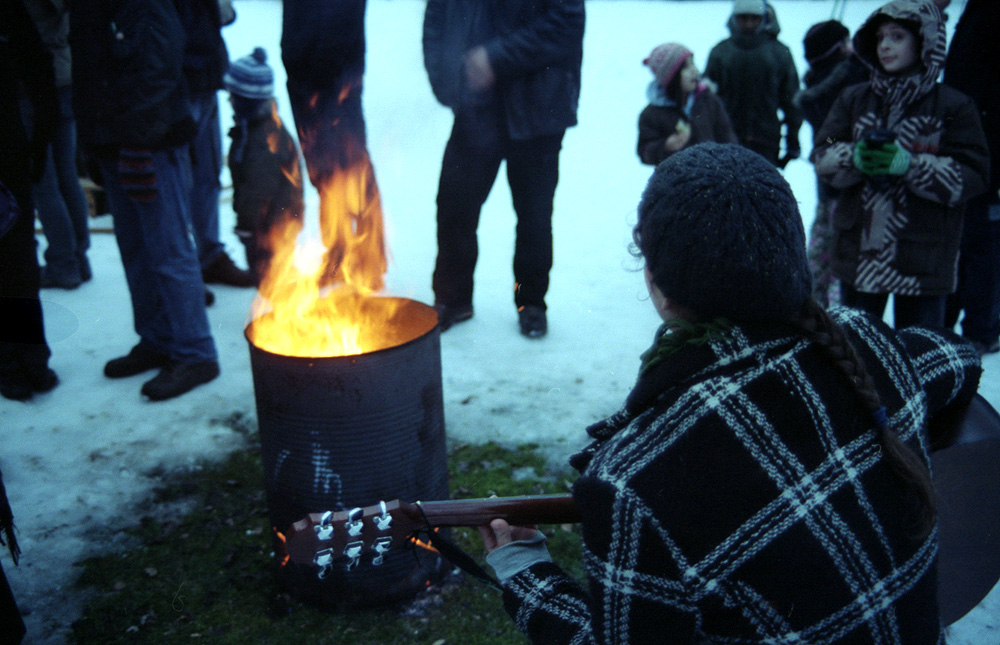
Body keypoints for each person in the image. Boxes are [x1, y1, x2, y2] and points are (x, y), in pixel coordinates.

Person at [477, 142, 983, 643]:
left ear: (656, 283)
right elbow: (958, 359)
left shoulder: (633, 483)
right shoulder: (868, 342)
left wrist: (528, 576)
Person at [70, 0, 220, 401]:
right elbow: (89, 68)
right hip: (111, 137)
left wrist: (138, 140)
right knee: (135, 247)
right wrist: (94, 142)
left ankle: (195, 351)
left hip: (146, 139)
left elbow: (158, 66)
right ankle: (158, 338)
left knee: (169, 249)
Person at [812, 0, 989, 329]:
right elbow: (827, 144)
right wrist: (852, 154)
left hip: (921, 258)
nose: (885, 46)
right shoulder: (855, 99)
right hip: (859, 255)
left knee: (920, 357)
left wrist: (911, 164)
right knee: (857, 353)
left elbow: (974, 173)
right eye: (880, 38)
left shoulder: (952, 107)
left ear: (925, 41)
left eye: (897, 37)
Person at [423, 0, 585, 337]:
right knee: (454, 208)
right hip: (475, 108)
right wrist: (443, 78)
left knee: (534, 216)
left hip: (539, 108)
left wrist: (496, 58)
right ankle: (453, 300)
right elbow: (437, 17)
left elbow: (566, 22)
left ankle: (532, 303)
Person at [0, 0, 59, 402]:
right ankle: (18, 361)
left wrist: (39, 138)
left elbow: (38, 65)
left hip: (9, 149)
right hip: (12, 147)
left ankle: (26, 361)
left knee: (17, 254)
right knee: (17, 255)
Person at [176, 0, 255, 290]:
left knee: (208, 175)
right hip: (172, 81)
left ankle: (209, 256)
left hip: (206, 76)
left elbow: (226, 14)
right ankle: (182, 270)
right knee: (176, 180)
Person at [795, 20, 868, 307]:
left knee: (822, 250)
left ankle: (815, 309)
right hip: (853, 187)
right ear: (836, 50)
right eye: (846, 43)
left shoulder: (814, 83)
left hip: (827, 185)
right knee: (843, 256)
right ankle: (839, 318)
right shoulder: (854, 78)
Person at [942, 0, 1000, 357]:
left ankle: (981, 327)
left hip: (987, 150)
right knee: (965, 237)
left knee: (982, 242)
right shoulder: (976, 12)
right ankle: (954, 323)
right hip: (965, 143)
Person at [23, 0, 92, 291]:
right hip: (64, 75)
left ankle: (64, 264)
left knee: (43, 180)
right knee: (65, 175)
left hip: (31, 82)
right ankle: (78, 259)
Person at [224, 47, 304, 286]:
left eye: (233, 97)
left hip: (273, 222)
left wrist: (248, 225)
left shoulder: (264, 140)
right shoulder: (252, 129)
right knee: (269, 271)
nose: (228, 100)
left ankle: (285, 313)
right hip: (269, 219)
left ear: (247, 101)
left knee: (271, 274)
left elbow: (258, 189)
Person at [704, 0, 802, 167]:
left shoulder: (780, 53)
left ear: (763, 19)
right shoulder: (720, 52)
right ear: (734, 18)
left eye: (754, 18)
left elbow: (792, 100)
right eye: (743, 17)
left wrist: (793, 137)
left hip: (766, 140)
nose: (749, 23)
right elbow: (706, 99)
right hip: (725, 138)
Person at [636, 43, 736, 166]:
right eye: (686, 67)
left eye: (693, 63)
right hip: (676, 181)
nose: (695, 71)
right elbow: (644, 152)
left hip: (712, 176)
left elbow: (729, 140)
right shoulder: (651, 115)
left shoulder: (709, 101)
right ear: (671, 77)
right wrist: (665, 146)